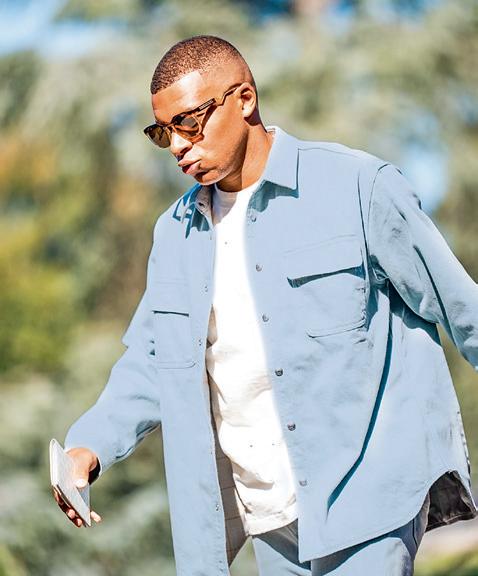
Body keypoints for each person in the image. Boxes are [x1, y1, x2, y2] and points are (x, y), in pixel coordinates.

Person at [53, 35, 478, 575]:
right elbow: (152, 362)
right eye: (163, 132)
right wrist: (88, 447)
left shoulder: (358, 187)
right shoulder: (175, 234)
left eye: (189, 122)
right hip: (267, 519)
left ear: (245, 99)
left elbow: (461, 309)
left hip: (369, 501)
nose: (178, 145)